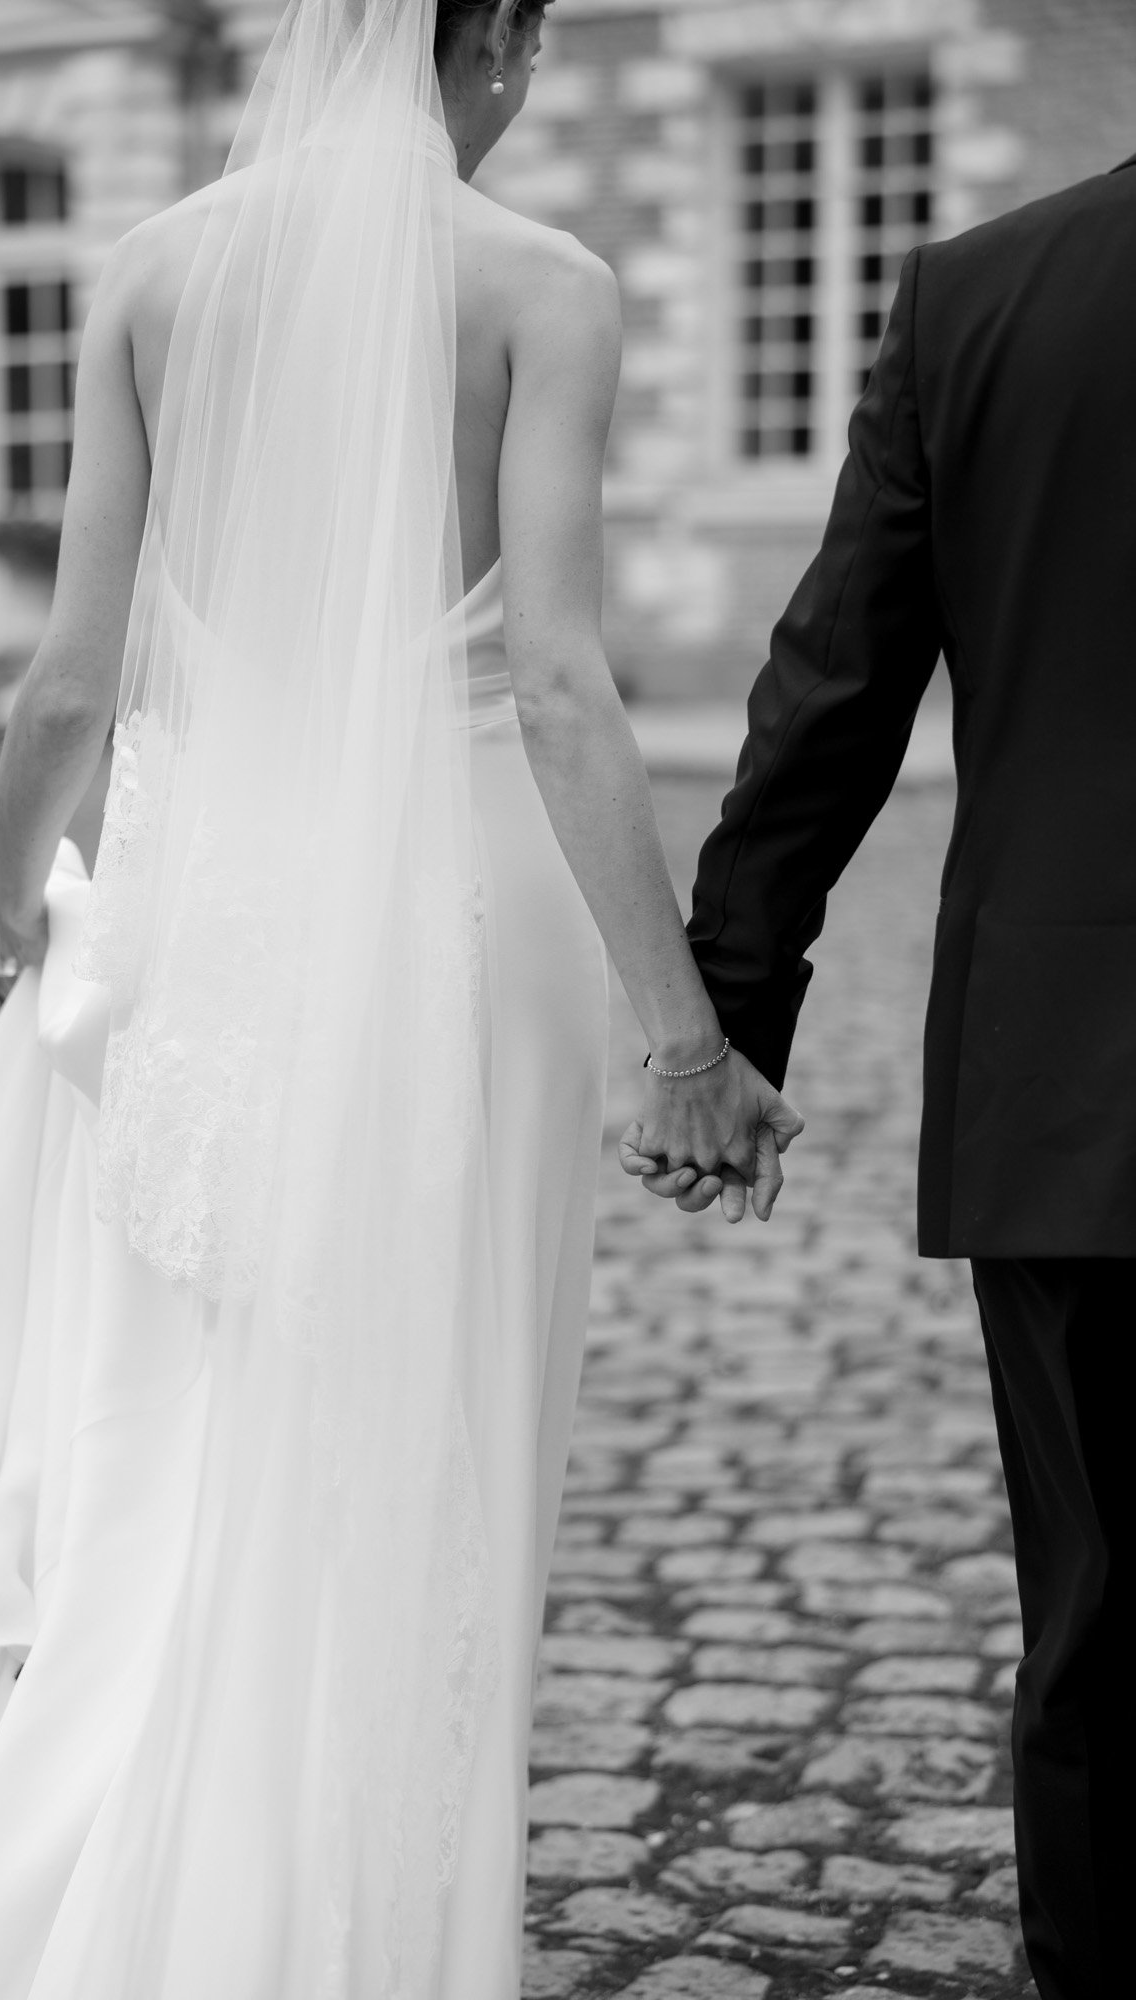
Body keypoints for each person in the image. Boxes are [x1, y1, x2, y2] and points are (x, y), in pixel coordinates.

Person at [0, 1, 800, 1993]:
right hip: (463, 929)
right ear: (499, 37)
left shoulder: (153, 273)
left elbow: (68, 686)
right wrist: (682, 1037)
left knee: (183, 1433)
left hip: (197, 929)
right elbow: (561, 687)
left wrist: (1, 933)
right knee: (431, 1438)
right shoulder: (543, 286)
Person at [642, 151, 1136, 2000]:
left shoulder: (983, 297)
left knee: (1102, 1616)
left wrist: (722, 1016)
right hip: (1077, 1074)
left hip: (1078, 1062)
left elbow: (836, 679)